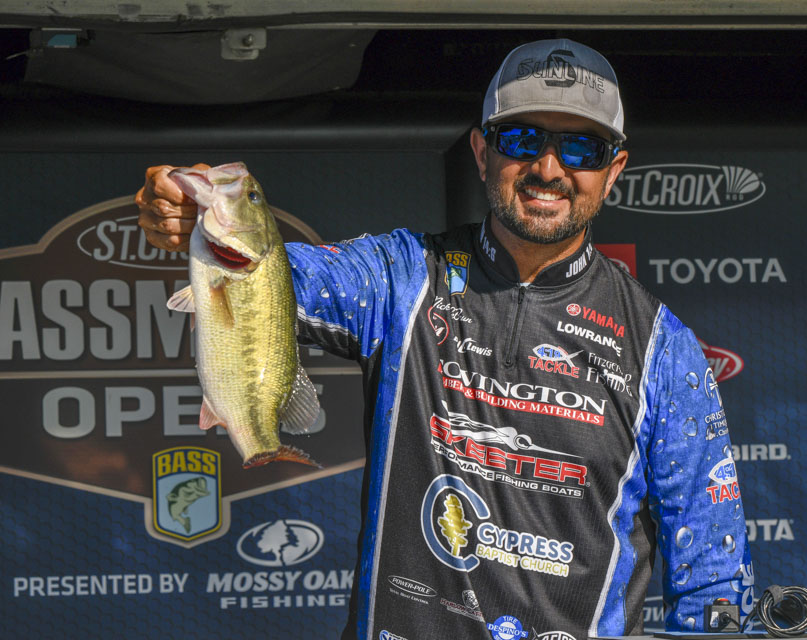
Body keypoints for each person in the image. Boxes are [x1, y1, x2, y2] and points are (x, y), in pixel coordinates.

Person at [137, 39, 755, 640]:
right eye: (522, 139)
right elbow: (270, 275)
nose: (548, 169)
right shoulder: (403, 278)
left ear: (612, 170)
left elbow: (714, 578)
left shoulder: (660, 347)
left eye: (581, 148)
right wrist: (194, 216)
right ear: (482, 153)